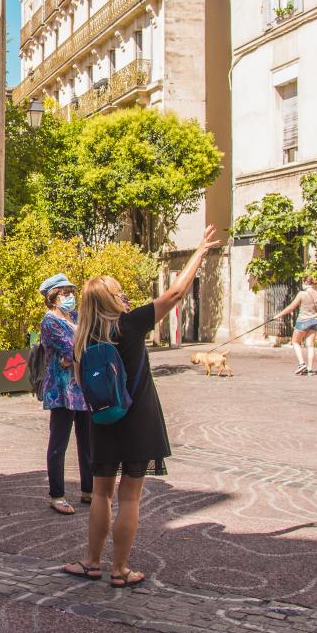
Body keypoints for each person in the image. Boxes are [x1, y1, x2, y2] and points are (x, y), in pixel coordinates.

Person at [62, 225, 221, 588]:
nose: (126, 297)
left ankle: (91, 562)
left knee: (100, 493)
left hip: (102, 421)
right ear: (112, 300)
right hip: (138, 418)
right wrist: (199, 251)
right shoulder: (130, 326)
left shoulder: (82, 338)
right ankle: (120, 569)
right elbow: (177, 292)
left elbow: (80, 382)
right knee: (130, 496)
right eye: (120, 293)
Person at [37, 273, 92, 516]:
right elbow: (75, 347)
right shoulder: (50, 323)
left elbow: (88, 343)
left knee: (88, 440)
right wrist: (75, 354)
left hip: (81, 388)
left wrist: (75, 355)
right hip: (61, 391)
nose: (70, 296)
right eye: (64, 293)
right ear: (52, 297)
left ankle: (89, 489)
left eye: (71, 291)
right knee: (59, 443)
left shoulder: (77, 317)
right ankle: (56, 494)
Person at [276, 273, 317, 376]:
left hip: (303, 321)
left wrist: (279, 315)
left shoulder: (302, 294)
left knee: (295, 341)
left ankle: (301, 364)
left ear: (305, 282)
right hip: (314, 321)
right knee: (310, 345)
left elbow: (291, 307)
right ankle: (310, 369)